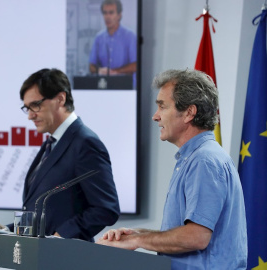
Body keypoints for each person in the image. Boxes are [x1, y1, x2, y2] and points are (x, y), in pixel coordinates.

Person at [96, 69, 247, 269]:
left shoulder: (204, 161)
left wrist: (138, 242)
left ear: (189, 113)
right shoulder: (195, 157)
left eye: (162, 107)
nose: (155, 116)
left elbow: (196, 237)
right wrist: (138, 234)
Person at [0, 68, 120, 241]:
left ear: (60, 99)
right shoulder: (51, 143)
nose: (30, 116)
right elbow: (45, 214)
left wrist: (62, 235)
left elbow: (106, 209)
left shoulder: (85, 143)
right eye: (27, 108)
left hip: (65, 258)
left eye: (36, 105)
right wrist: (6, 230)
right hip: (38, 257)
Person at [89, 0, 137, 76]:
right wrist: (99, 70)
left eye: (111, 13)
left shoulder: (130, 36)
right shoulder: (99, 38)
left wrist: (114, 71)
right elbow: (91, 66)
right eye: (105, 13)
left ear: (119, 15)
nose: (107, 17)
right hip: (104, 85)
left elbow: (135, 65)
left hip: (125, 85)